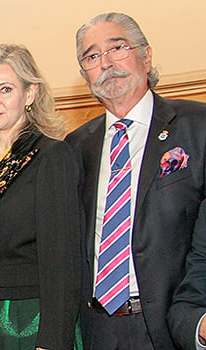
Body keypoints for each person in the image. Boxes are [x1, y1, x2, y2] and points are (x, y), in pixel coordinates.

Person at [64, 12, 206, 350]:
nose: (106, 62)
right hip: (93, 328)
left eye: (117, 48)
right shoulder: (74, 147)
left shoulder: (197, 126)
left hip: (173, 326)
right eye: (92, 56)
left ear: (146, 54)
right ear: (85, 74)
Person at [0, 44, 82, 350]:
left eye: (5, 89)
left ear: (30, 94)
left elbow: (63, 260)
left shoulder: (51, 156)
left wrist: (52, 341)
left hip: (32, 319)